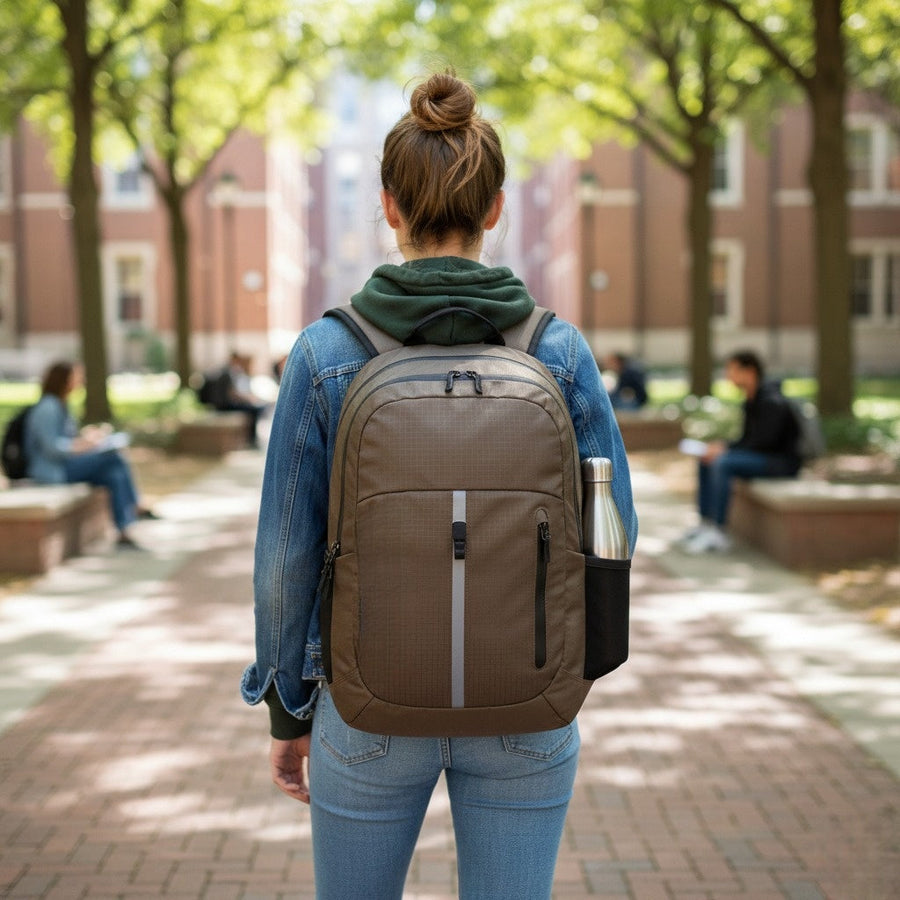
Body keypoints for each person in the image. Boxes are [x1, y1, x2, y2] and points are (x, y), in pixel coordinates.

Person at [241, 71, 638, 899]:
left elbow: (286, 556)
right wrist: (579, 672)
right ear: (494, 209)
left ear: (389, 206)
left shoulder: (325, 354)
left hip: (368, 705)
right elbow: (614, 533)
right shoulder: (556, 352)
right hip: (528, 701)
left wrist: (288, 707)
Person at [24, 361, 156, 549]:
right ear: (64, 380)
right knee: (114, 458)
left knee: (113, 474)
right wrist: (83, 445)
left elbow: (66, 438)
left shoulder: (62, 404)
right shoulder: (48, 407)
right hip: (53, 471)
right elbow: (52, 449)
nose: (81, 381)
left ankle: (124, 530)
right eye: (77, 377)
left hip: (67, 464)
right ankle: (133, 508)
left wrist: (87, 438)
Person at [681, 349, 801, 554]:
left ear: (749, 371)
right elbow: (748, 439)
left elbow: (766, 442)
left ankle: (719, 532)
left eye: (732, 370)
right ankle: (706, 523)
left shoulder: (771, 401)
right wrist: (722, 446)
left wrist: (725, 450)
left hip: (781, 462)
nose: (728, 376)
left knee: (722, 463)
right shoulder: (751, 399)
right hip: (763, 456)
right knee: (707, 459)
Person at [204, 351, 269, 447]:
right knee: (254, 410)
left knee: (255, 409)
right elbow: (232, 393)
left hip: (226, 403)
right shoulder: (227, 373)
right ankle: (252, 440)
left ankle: (251, 439)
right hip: (225, 405)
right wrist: (248, 399)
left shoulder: (230, 372)